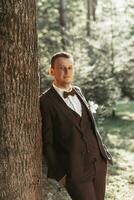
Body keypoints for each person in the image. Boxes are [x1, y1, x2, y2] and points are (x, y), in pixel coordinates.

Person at [40, 52, 113, 200]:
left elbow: (89, 126)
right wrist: (60, 174)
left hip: (98, 163)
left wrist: (102, 155)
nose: (67, 72)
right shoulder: (45, 101)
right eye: (61, 68)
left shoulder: (78, 91)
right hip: (75, 170)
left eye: (70, 67)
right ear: (51, 71)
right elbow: (47, 141)